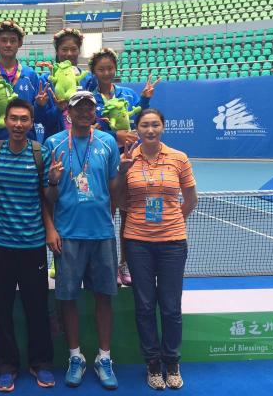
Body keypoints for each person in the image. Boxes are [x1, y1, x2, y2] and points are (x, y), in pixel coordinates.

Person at [44, 91, 128, 390]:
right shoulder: (53, 144)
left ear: (95, 112)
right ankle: (75, 356)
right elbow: (47, 196)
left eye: (89, 107)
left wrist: (123, 174)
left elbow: (114, 190)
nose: (84, 112)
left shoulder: (107, 143)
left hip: (101, 234)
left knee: (104, 296)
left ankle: (104, 357)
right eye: (78, 107)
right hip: (67, 235)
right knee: (68, 298)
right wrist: (53, 181)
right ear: (68, 112)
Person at [115, 108, 198, 390]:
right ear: (136, 129)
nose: (150, 130)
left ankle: (172, 362)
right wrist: (122, 170)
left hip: (173, 243)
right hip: (137, 243)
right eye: (144, 125)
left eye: (155, 125)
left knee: (171, 307)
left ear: (162, 127)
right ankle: (152, 363)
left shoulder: (179, 158)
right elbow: (118, 199)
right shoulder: (128, 158)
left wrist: (171, 221)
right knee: (145, 306)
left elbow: (191, 199)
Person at [0, 98, 59, 392]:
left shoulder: (40, 153)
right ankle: (6, 365)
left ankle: (41, 362)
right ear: (5, 121)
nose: (17, 124)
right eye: (13, 118)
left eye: (24, 119)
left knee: (37, 306)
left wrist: (53, 182)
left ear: (31, 123)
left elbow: (48, 199)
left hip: (32, 243)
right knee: (0, 309)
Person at [89, 47, 161, 286]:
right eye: (101, 69)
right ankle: (105, 265)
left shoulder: (128, 94)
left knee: (129, 216)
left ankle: (125, 264)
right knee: (104, 216)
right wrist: (115, 135)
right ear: (94, 72)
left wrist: (145, 99)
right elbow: (88, 129)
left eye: (110, 68)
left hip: (132, 161)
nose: (106, 72)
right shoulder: (89, 98)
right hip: (102, 162)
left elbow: (140, 119)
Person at [0, 20, 47, 144]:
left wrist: (40, 106)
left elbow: (38, 118)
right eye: (4, 40)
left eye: (13, 41)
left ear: (20, 43)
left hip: (26, 143)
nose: (8, 44)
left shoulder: (30, 75)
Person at [39, 28, 86, 138]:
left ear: (79, 51)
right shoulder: (46, 80)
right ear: (57, 51)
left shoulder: (88, 79)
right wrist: (58, 109)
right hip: (55, 141)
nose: (69, 54)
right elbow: (41, 119)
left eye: (73, 49)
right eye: (64, 49)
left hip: (83, 140)